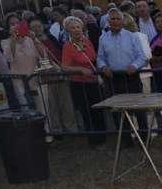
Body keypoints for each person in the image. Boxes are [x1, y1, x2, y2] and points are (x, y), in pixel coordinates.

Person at [97, 8, 148, 144]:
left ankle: (144, 138)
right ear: (108, 21)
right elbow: (100, 58)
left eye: (118, 18)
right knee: (118, 110)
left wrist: (135, 66)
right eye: (112, 19)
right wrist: (103, 66)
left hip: (131, 77)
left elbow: (142, 57)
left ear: (122, 20)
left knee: (138, 109)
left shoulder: (132, 36)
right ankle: (125, 141)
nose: (115, 21)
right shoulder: (103, 38)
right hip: (113, 79)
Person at [61, 15, 106, 145]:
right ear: (68, 31)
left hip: (93, 81)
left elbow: (94, 57)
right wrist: (79, 69)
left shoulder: (87, 41)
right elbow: (64, 67)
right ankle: (93, 140)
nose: (76, 30)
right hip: (79, 83)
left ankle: (103, 136)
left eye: (78, 27)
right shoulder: (67, 46)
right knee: (87, 112)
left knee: (97, 109)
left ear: (82, 28)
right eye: (72, 28)